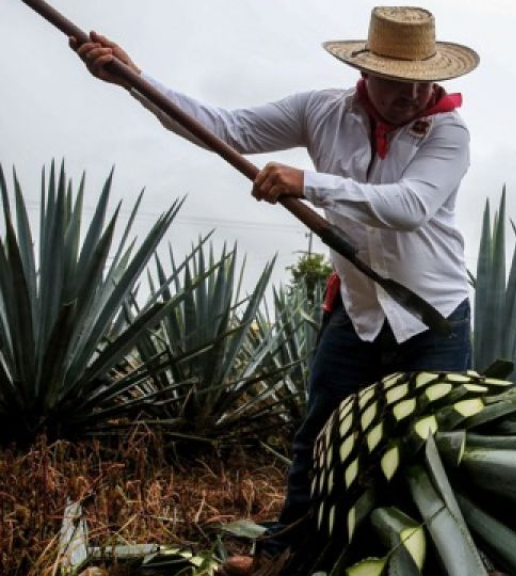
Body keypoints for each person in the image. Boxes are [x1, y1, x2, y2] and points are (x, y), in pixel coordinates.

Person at [73, 6, 479, 575]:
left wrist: (308, 182)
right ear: (366, 71)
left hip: (432, 316)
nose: (410, 94)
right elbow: (224, 128)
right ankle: (281, 560)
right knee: (318, 440)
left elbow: (410, 208)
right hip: (359, 312)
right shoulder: (321, 111)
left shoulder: (449, 131)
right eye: (394, 78)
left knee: (428, 450)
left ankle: (417, 564)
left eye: (420, 81)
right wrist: (134, 82)